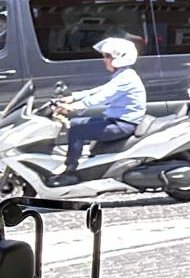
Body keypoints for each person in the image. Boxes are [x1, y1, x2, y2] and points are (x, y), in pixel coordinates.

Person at [51, 36, 147, 182]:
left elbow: (102, 97)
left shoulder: (126, 78)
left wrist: (73, 107)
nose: (104, 60)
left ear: (120, 58)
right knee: (75, 123)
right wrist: (73, 97)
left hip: (122, 125)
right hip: (115, 120)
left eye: (107, 56)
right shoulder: (123, 75)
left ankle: (70, 171)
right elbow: (100, 90)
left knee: (77, 131)